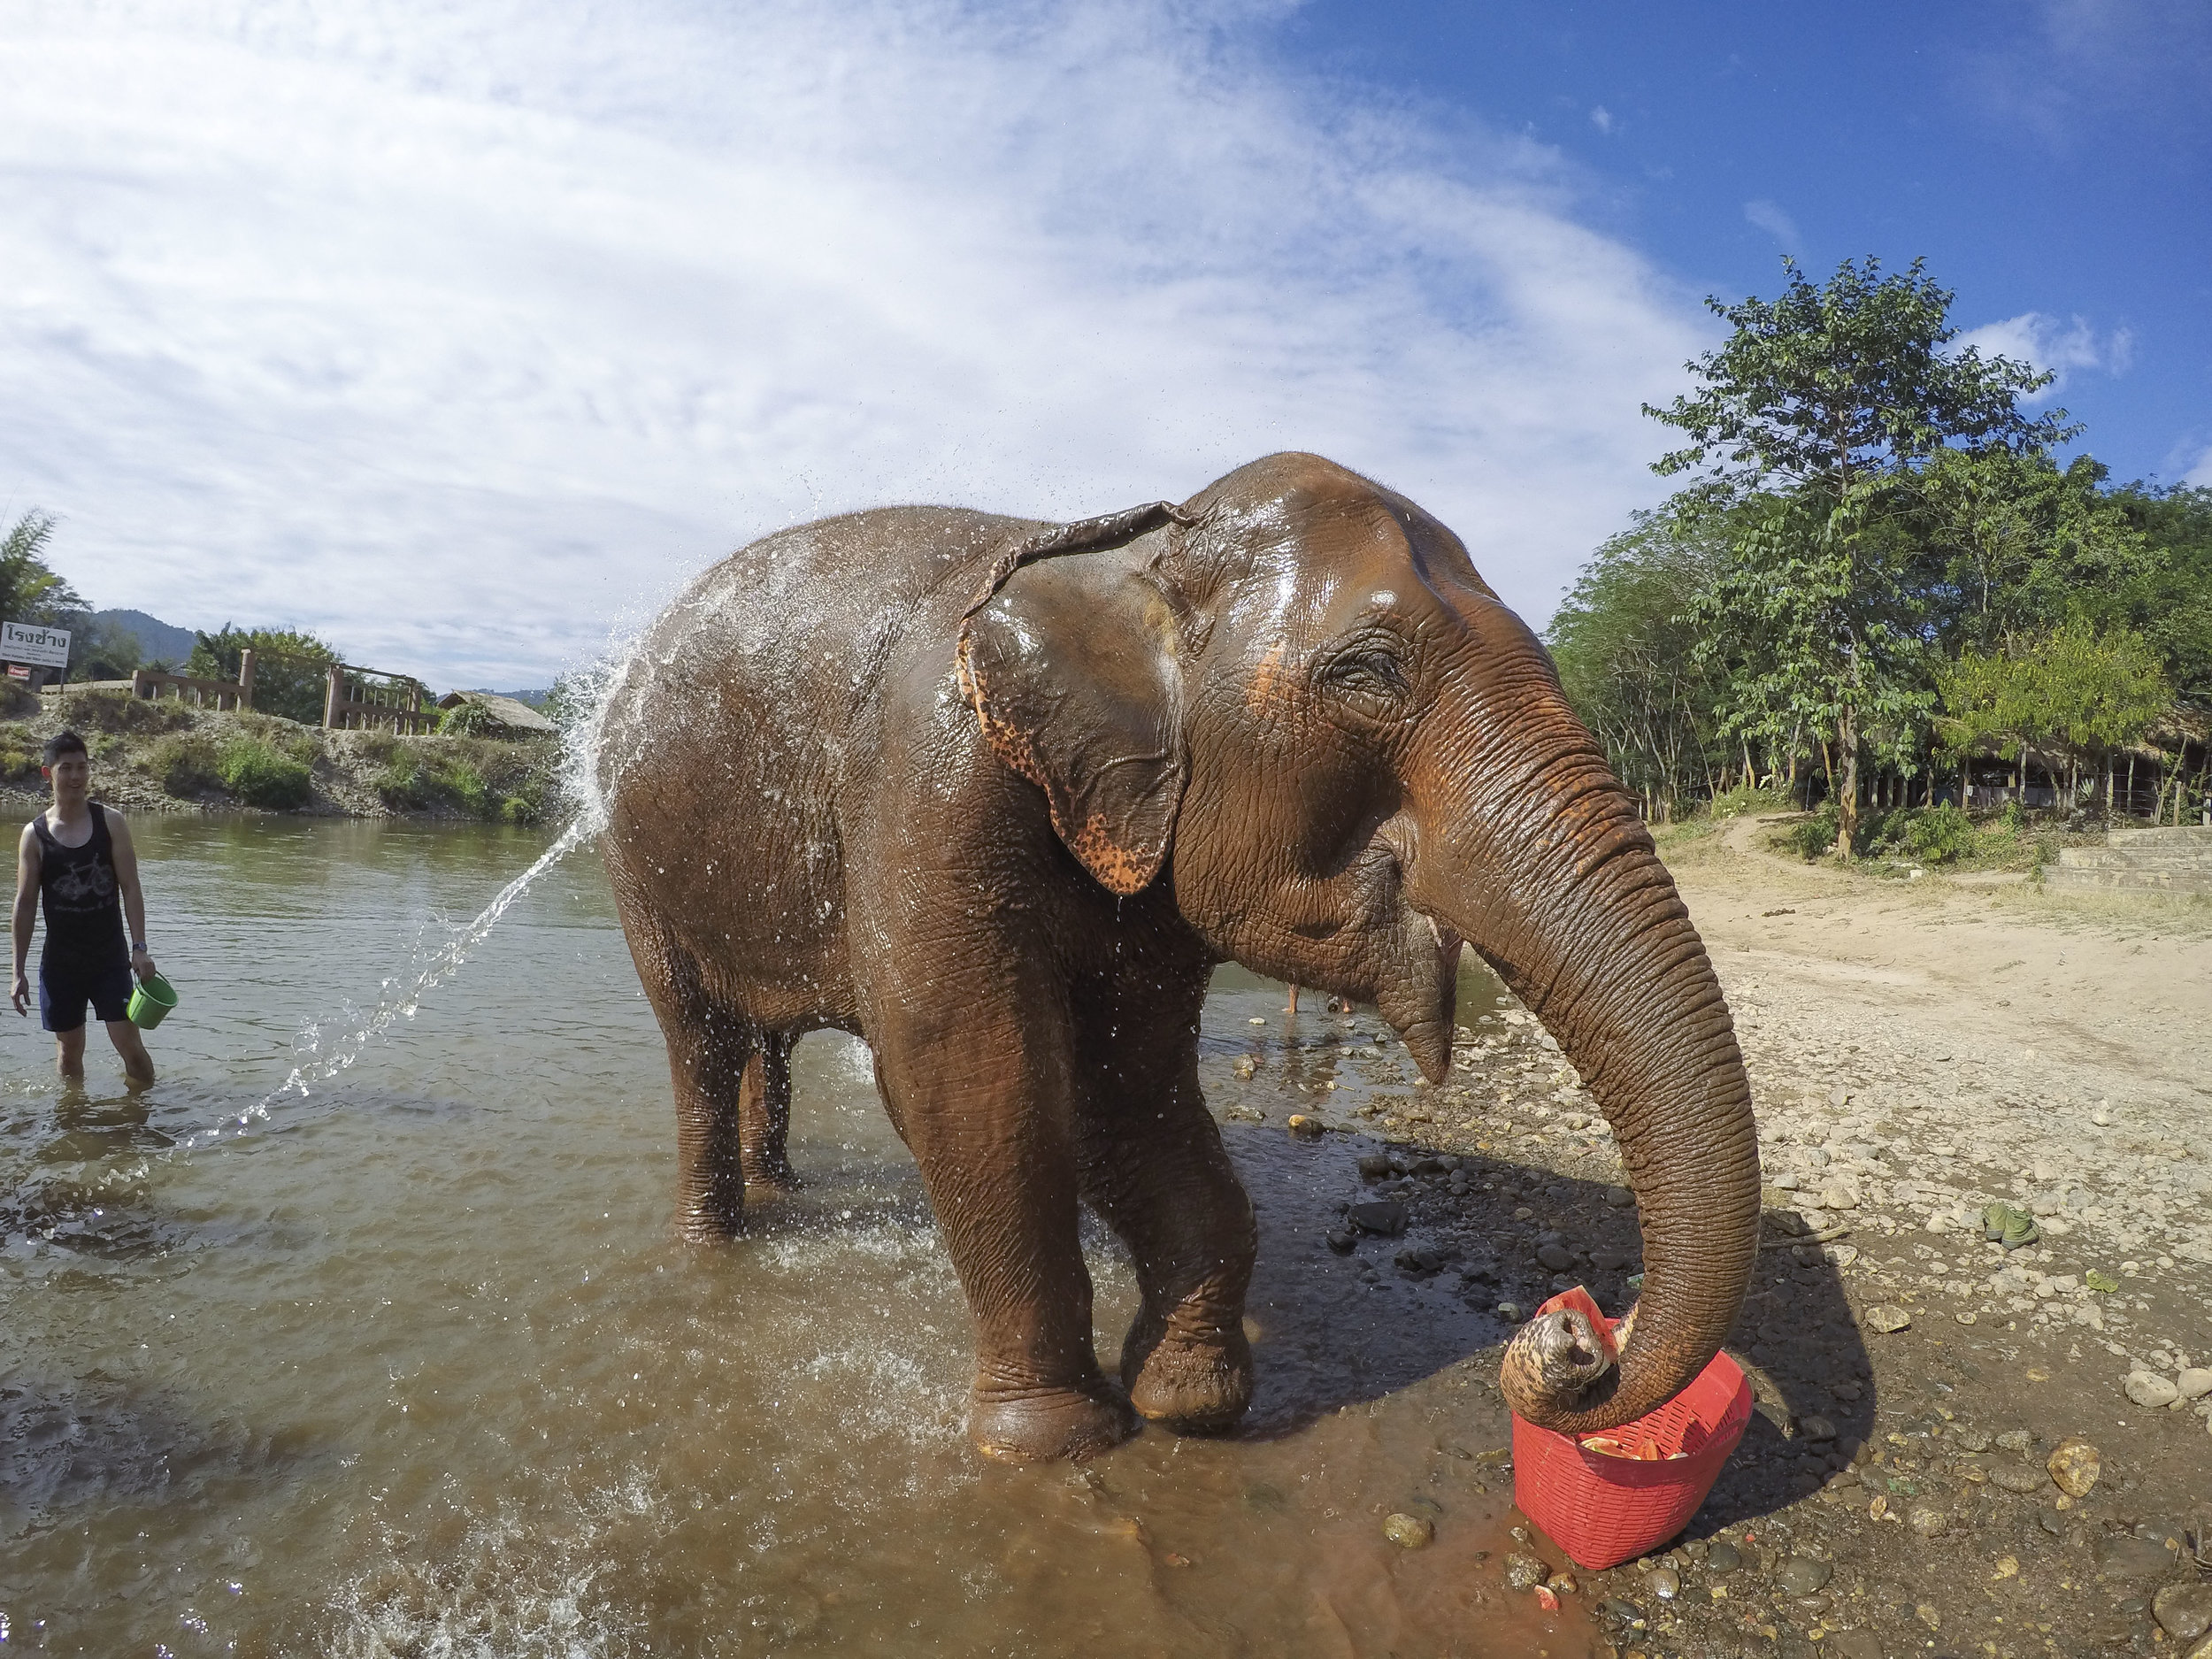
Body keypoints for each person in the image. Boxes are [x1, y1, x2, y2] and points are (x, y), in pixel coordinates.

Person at [10, 731, 157, 1085]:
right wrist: (17, 972)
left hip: (109, 957)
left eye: (82, 767)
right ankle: (73, 1126)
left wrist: (140, 948)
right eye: (66, 769)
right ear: (48, 773)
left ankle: (146, 1115)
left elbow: (131, 887)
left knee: (130, 1047)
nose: (76, 777)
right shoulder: (35, 835)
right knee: (69, 1055)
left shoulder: (111, 822)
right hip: (61, 962)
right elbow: (26, 903)